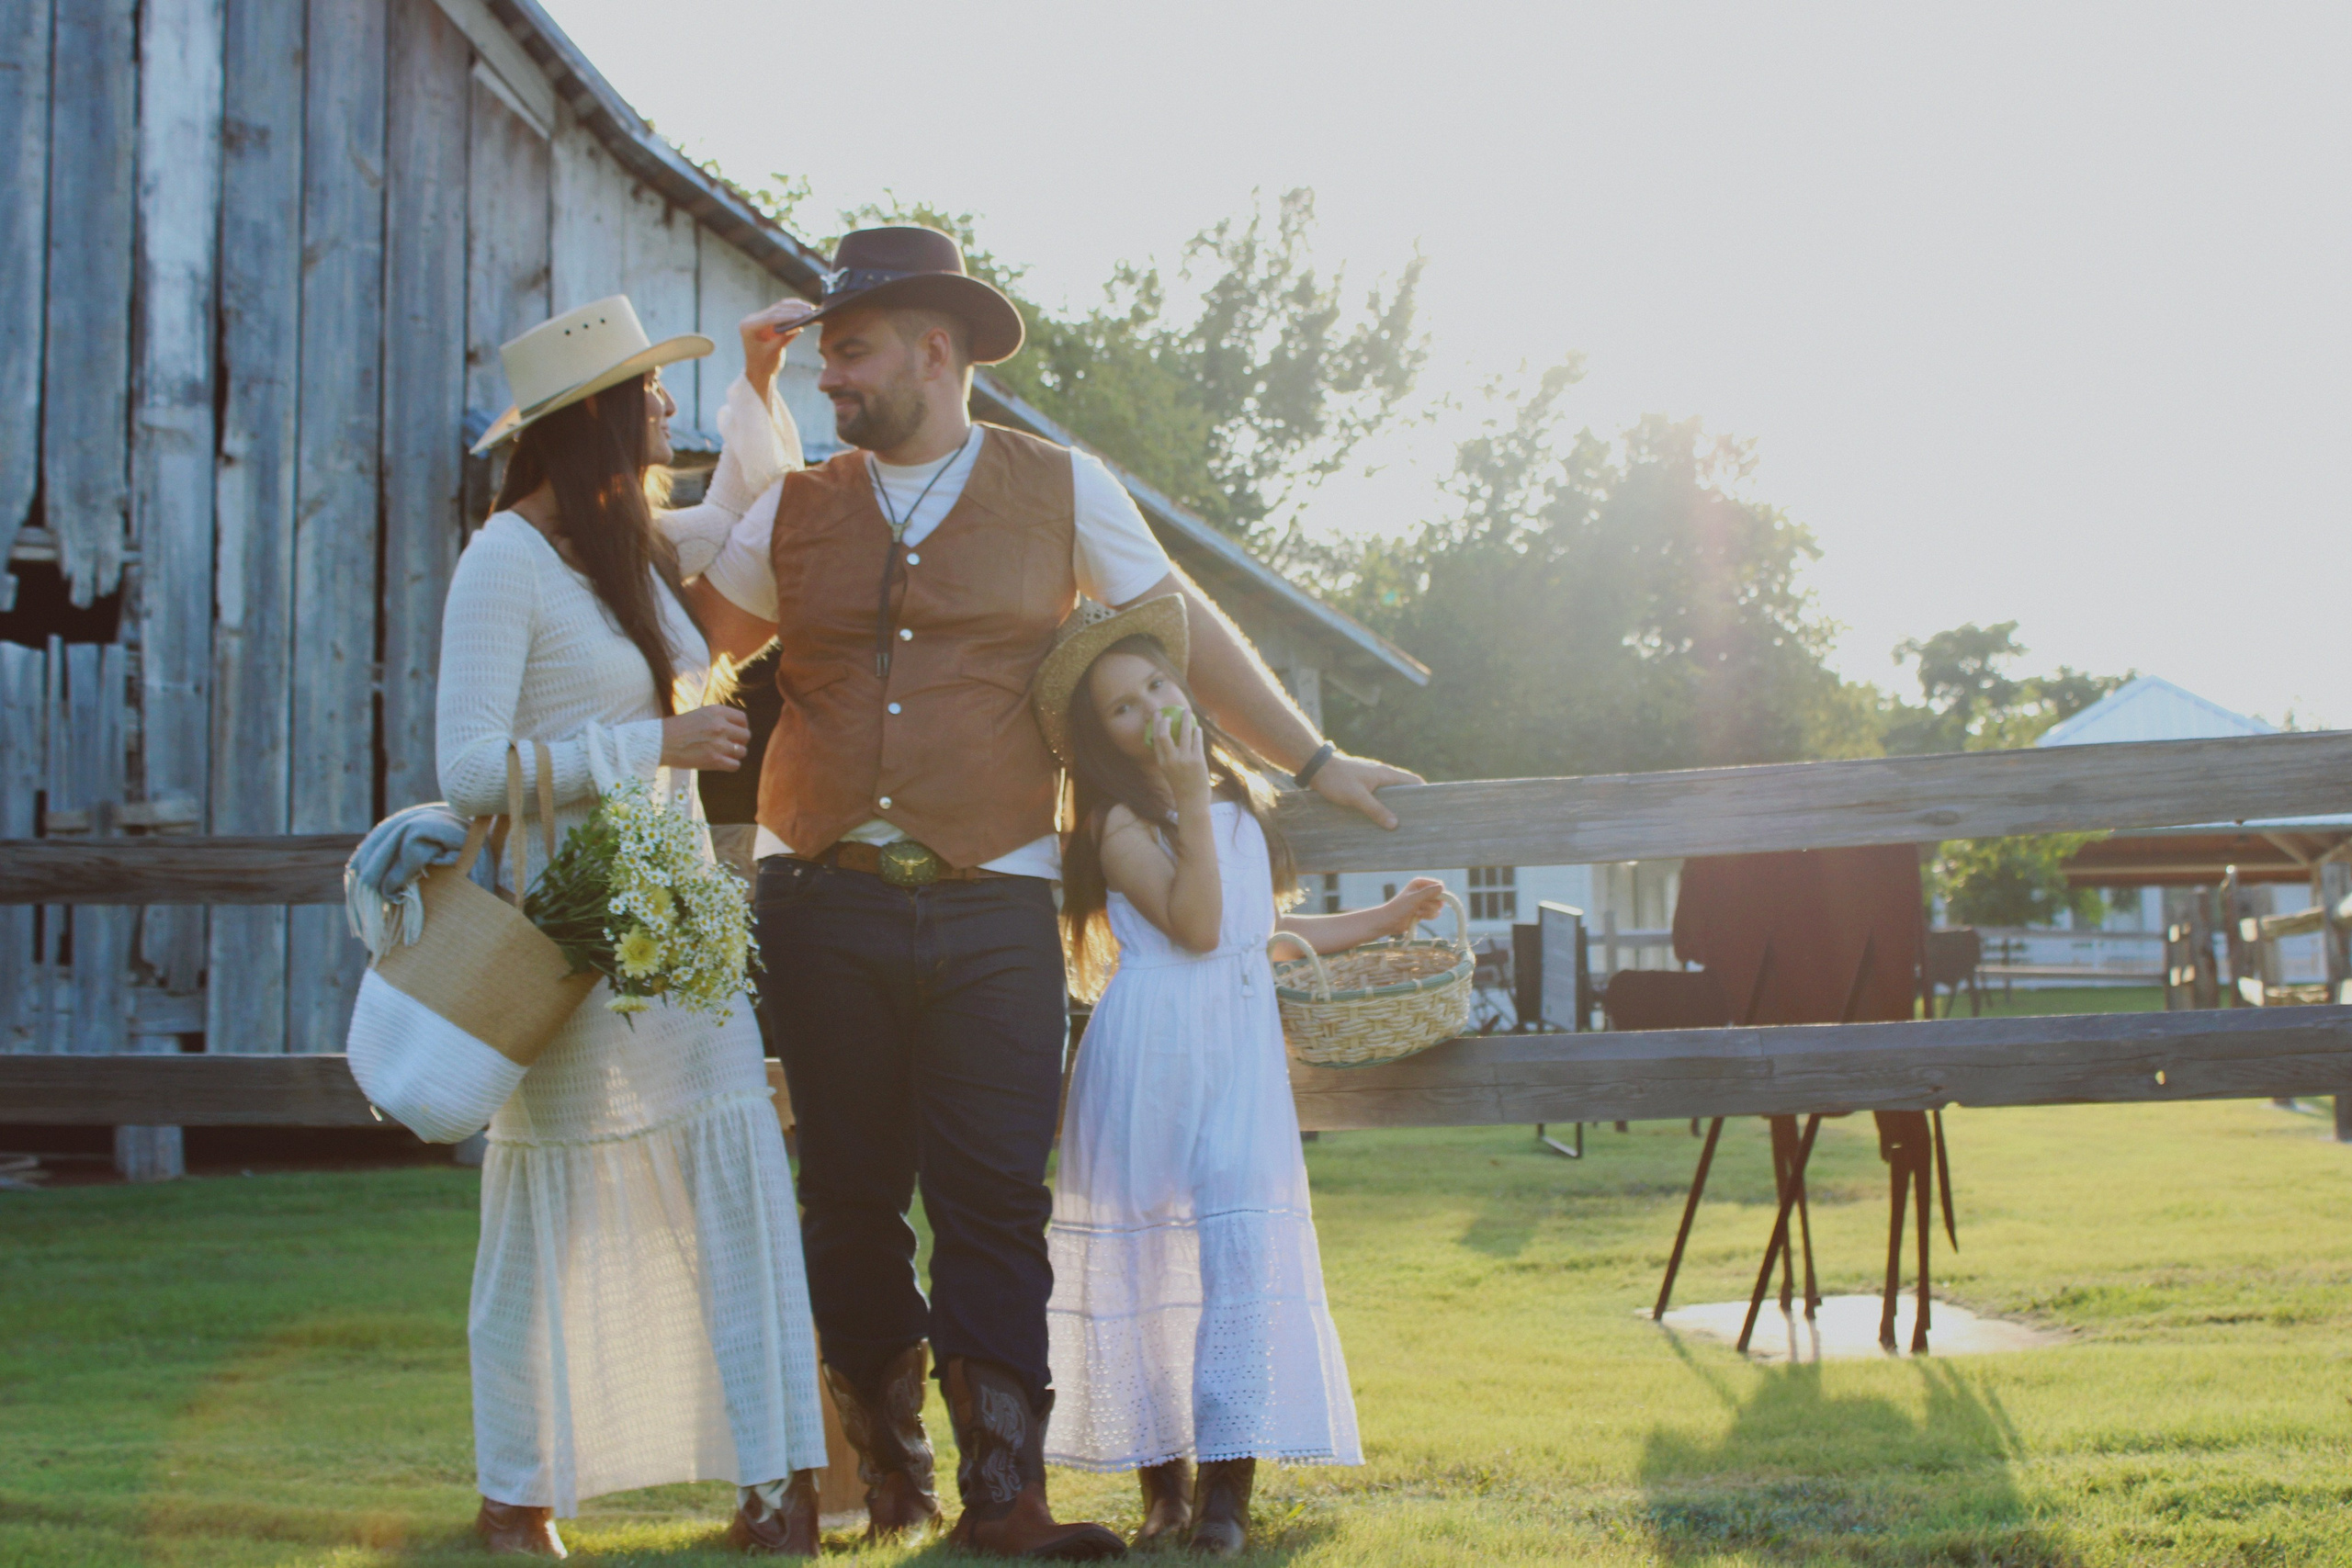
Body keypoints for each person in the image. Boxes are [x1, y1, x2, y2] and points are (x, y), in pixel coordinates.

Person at [681, 226, 1421, 1559]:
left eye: (850, 350)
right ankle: (892, 1464)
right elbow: (695, 645)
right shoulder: (795, 504)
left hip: (996, 906)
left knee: (992, 1202)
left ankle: (1002, 1496)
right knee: (845, 1196)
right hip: (820, 893)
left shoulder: (1060, 486)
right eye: (824, 353)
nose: (830, 373)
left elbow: (1179, 633)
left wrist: (1310, 759)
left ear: (936, 350)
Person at [439, 295, 827, 1557]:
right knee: (547, 1207)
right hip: (569, 930)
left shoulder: (629, 548)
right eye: (650, 387)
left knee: (735, 1170)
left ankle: (776, 1487)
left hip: (674, 910)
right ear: (596, 416)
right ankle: (516, 1496)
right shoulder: (505, 559)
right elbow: (467, 768)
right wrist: (648, 743)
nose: (667, 402)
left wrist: (759, 378)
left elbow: (758, 511)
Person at [1035, 599, 1443, 1554]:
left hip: (1240, 1050)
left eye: (1156, 686)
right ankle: (1164, 1489)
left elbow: (1255, 936)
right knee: (1150, 1258)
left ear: (1184, 687)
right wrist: (1183, 792)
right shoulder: (1116, 819)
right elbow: (1197, 927)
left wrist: (1384, 918)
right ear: (1100, 739)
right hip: (1154, 1051)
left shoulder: (1233, 798)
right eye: (1123, 708)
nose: (1150, 710)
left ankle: (1229, 1490)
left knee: (1241, 1254)